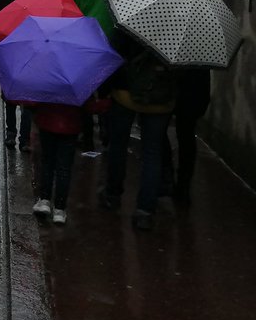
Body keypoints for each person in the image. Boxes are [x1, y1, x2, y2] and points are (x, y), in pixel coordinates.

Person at [100, 32, 176, 232]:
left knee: (118, 144)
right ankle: (145, 211)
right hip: (161, 99)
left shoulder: (130, 23)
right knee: (152, 153)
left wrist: (104, 91)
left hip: (125, 94)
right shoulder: (179, 30)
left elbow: (112, 56)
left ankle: (112, 194)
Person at [26, 95, 110, 225]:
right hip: (71, 126)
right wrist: (107, 102)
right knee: (64, 168)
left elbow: (33, 101)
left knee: (47, 163)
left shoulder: (49, 76)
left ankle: (45, 200)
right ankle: (59, 209)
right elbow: (90, 107)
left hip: (47, 123)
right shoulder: (79, 79)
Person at [163, 67, 211, 205]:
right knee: (186, 138)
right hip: (193, 91)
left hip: (173, 89)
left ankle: (171, 178)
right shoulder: (202, 49)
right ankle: (182, 186)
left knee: (161, 133)